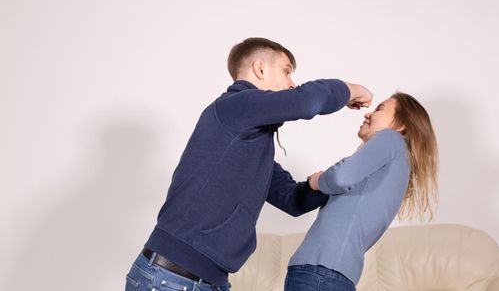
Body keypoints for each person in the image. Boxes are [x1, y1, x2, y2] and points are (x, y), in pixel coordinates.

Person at [125, 37, 373, 291]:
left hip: (203, 282)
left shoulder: (248, 142)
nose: (292, 83)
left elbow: (292, 200)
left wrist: (324, 182)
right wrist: (351, 88)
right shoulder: (235, 106)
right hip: (172, 279)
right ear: (260, 69)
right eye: (287, 71)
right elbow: (307, 101)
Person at [285, 92, 439, 291]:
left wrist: (317, 180)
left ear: (401, 125)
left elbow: (341, 177)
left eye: (380, 109)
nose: (367, 115)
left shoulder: (390, 139)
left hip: (320, 272)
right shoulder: (396, 165)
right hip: (332, 275)